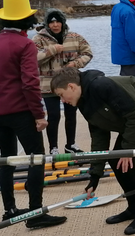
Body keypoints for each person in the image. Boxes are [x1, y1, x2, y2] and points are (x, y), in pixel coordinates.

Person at [0, 0, 67, 229]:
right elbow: (29, 83)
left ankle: (10, 209)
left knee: (7, 160)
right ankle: (35, 213)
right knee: (36, 159)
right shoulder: (25, 44)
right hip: (22, 111)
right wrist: (39, 115)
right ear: (25, 20)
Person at [50, 67, 135, 235]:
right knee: (115, 161)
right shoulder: (83, 102)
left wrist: (127, 151)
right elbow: (99, 138)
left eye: (61, 95)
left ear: (71, 86)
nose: (62, 100)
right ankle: (133, 208)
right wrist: (94, 176)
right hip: (132, 120)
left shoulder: (101, 86)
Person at [33, 8, 93, 154]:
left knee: (71, 114)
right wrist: (52, 50)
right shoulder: (38, 39)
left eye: (58, 21)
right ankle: (53, 147)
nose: (55, 25)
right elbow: (32, 59)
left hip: (69, 83)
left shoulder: (75, 37)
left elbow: (88, 53)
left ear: (62, 22)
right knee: (53, 115)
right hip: (48, 85)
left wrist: (75, 64)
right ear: (47, 24)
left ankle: (70, 144)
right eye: (52, 22)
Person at [111, 0, 135, 77]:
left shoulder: (116, 8)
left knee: (124, 77)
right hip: (128, 51)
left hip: (119, 48)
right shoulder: (129, 11)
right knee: (131, 80)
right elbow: (133, 34)